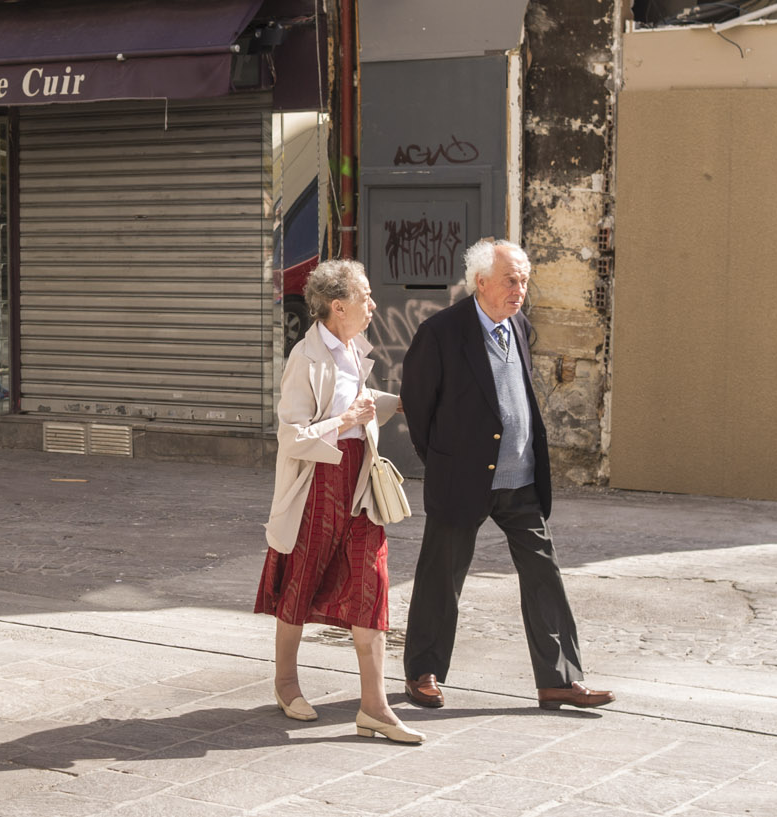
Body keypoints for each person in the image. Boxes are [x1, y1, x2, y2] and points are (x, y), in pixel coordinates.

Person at [398, 239, 615, 712]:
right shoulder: (441, 332)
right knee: (442, 576)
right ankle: (423, 672)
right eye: (511, 280)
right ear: (481, 283)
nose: (521, 289)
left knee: (544, 574)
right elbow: (418, 405)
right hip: (463, 479)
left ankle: (559, 679)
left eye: (524, 279)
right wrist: (442, 460)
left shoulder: (517, 324)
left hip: (519, 479)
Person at [256, 259, 423, 744]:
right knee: (301, 583)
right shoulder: (303, 359)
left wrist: (397, 403)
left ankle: (376, 707)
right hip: (318, 485)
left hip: (360, 483)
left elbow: (361, 397)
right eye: (365, 297)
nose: (374, 305)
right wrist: (348, 419)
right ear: (338, 306)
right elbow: (292, 436)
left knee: (372, 587)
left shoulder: (352, 348)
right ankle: (286, 683)